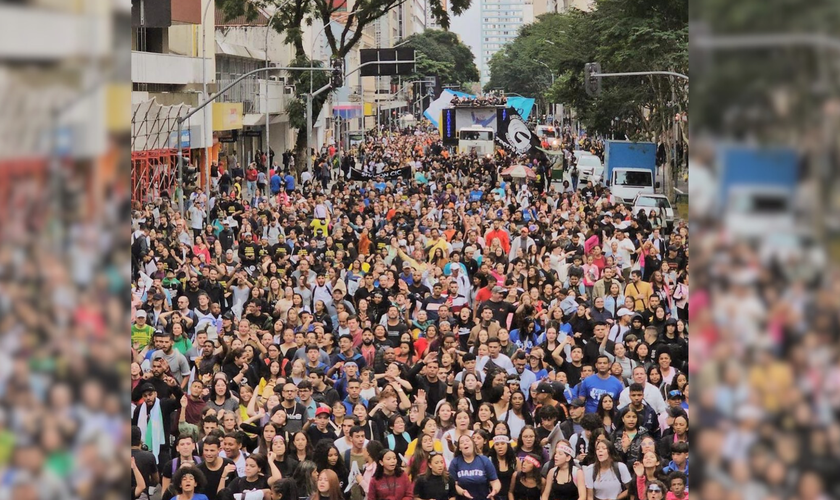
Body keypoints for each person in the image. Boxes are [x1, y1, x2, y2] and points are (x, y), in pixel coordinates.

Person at [449, 434, 501, 500]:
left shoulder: (484, 460)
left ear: (473, 444)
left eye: (467, 441)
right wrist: (462, 492)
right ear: (459, 448)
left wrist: (494, 490)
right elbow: (453, 485)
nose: (465, 443)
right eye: (462, 442)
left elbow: (495, 481)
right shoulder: (455, 462)